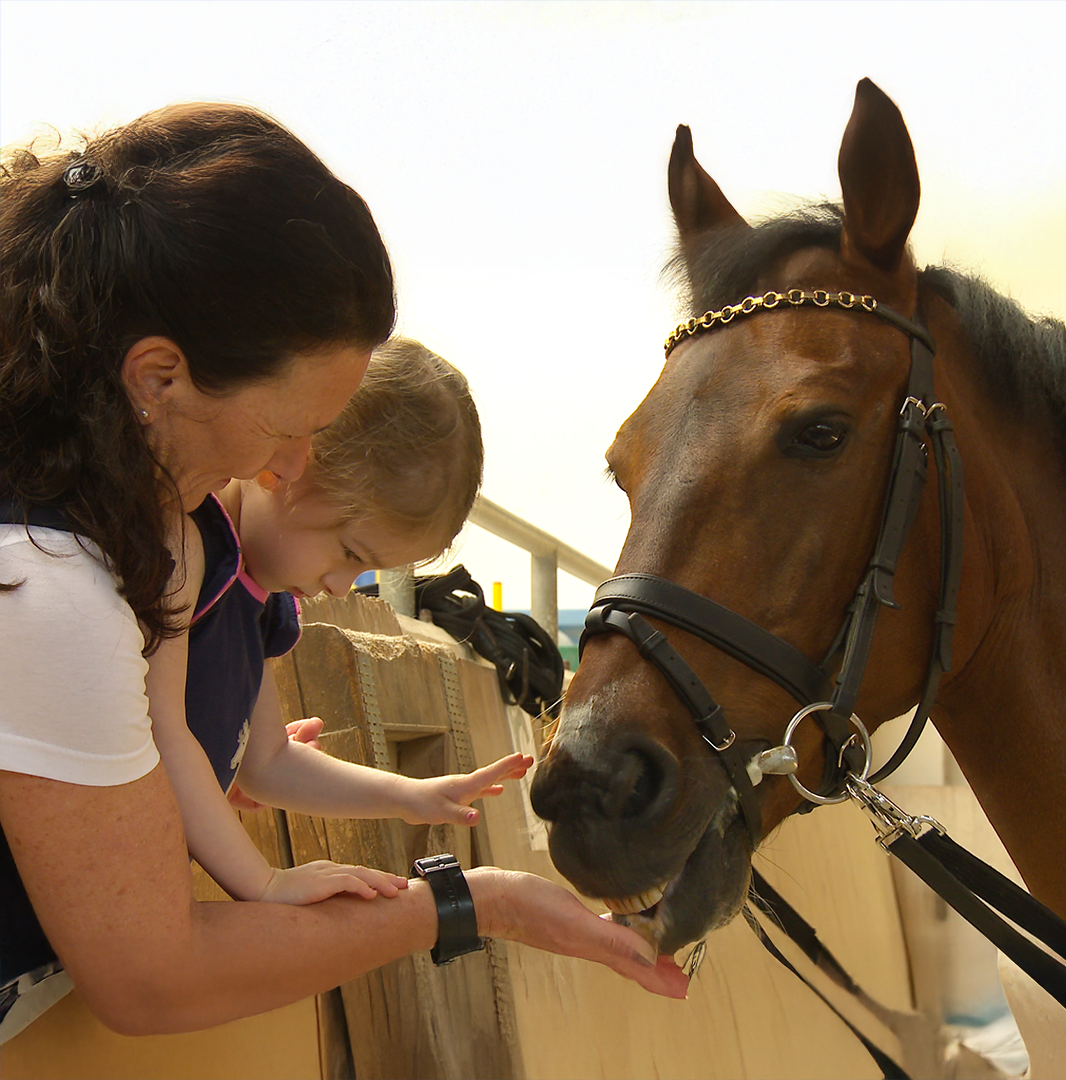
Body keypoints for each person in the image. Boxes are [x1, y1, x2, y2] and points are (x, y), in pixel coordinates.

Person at [0, 103, 687, 1043]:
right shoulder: (50, 589)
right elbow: (150, 980)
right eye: (290, 432)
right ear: (156, 380)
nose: (284, 471)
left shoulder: (100, 532)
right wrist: (472, 905)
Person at [152, 339, 533, 907]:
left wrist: (412, 796)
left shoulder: (256, 602)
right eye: (351, 554)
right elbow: (164, 737)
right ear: (290, 464)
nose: (339, 584)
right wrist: (264, 882)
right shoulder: (186, 549)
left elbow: (267, 764)